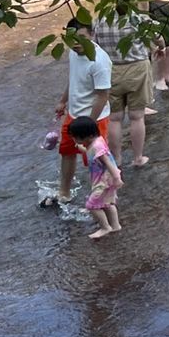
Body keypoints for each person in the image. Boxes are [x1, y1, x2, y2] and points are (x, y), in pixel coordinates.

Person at [46, 16, 111, 208]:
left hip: (94, 119)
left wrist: (88, 125)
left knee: (96, 160)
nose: (76, 43)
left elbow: (102, 95)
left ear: (92, 34)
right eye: (72, 38)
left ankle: (101, 199)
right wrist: (63, 101)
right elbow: (74, 78)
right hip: (73, 114)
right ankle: (64, 193)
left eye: (82, 37)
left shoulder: (99, 61)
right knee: (67, 152)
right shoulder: (74, 53)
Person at [95, 4, 154, 169]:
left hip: (110, 70)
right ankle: (138, 157)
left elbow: (95, 44)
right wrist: (161, 47)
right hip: (137, 69)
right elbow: (158, 38)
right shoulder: (139, 18)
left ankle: (117, 158)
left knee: (114, 118)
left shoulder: (100, 19)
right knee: (137, 116)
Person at [70, 116, 123, 240]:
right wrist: (78, 147)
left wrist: (117, 177)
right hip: (107, 180)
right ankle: (115, 226)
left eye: (75, 137)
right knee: (107, 203)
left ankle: (105, 227)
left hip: (104, 181)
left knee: (91, 205)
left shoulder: (97, 147)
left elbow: (108, 162)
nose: (74, 139)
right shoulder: (96, 141)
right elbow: (89, 151)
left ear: (86, 136)